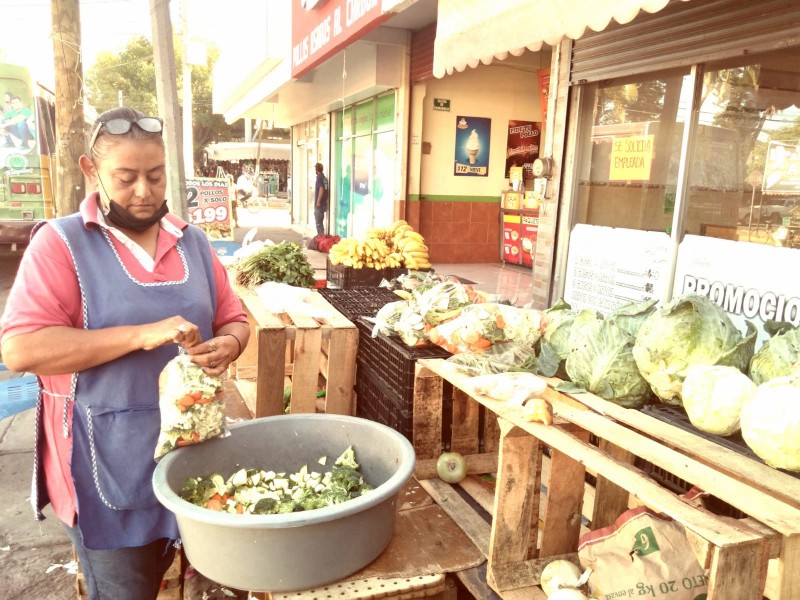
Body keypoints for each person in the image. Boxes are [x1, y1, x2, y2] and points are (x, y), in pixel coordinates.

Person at [0, 107, 250, 600]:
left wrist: (232, 343)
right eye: (126, 177)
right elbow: (21, 348)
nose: (144, 191)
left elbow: (234, 317)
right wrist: (142, 334)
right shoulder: (62, 244)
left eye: (155, 177)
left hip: (192, 455)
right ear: (90, 170)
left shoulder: (191, 242)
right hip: (105, 466)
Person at [314, 162, 329, 236]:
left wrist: (318, 201)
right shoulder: (325, 178)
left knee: (318, 223)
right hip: (324, 203)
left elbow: (321, 189)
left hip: (320, 204)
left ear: (316, 170)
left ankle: (321, 238)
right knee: (321, 221)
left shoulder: (319, 178)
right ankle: (322, 237)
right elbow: (326, 190)